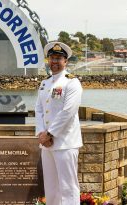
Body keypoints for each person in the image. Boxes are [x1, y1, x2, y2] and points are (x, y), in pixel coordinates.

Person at [35, 42, 83, 205]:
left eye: (58, 58)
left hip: (65, 143)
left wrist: (50, 134)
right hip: (47, 144)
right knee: (51, 187)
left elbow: (68, 112)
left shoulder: (72, 82)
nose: (54, 61)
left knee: (68, 187)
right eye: (52, 58)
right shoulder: (45, 83)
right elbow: (39, 110)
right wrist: (41, 134)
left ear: (66, 61)